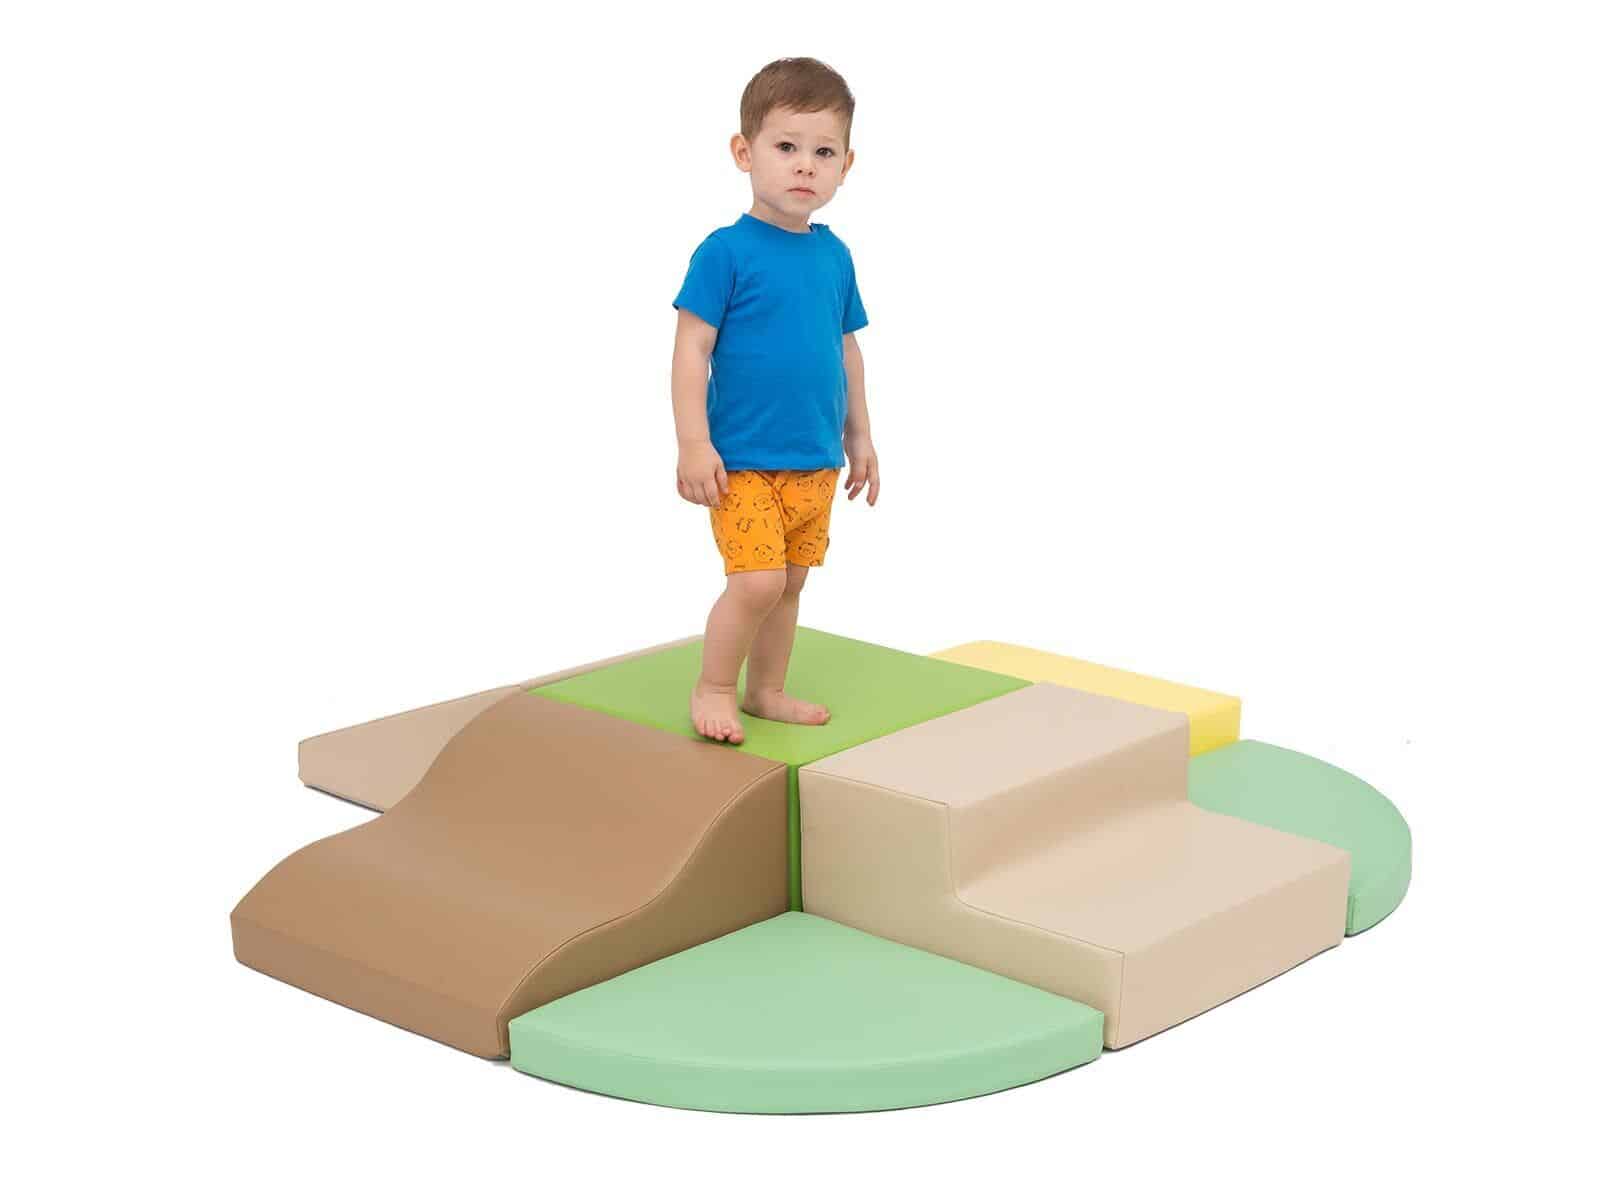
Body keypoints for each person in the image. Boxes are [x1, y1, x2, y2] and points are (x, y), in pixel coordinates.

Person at [671, 57, 880, 745]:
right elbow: (691, 349)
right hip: (743, 460)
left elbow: (846, 350)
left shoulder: (835, 256)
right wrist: (693, 443)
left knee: (789, 582)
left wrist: (860, 437)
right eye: (786, 146)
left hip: (814, 458)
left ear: (846, 165)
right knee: (756, 583)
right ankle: (713, 686)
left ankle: (765, 690)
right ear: (744, 152)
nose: (805, 166)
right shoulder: (725, 252)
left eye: (824, 152)